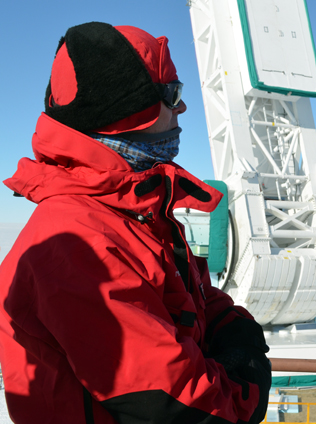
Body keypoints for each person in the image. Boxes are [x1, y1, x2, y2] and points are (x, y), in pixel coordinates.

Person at [0, 22, 270, 423]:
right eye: (172, 93)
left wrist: (234, 326)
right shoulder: (78, 244)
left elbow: (192, 297)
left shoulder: (132, 212)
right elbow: (180, 408)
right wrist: (246, 381)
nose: (182, 107)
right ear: (127, 109)